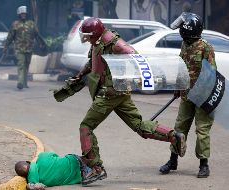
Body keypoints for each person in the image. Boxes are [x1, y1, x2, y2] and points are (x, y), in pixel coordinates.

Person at [69, 17, 187, 185]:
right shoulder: (98, 42)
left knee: (86, 127)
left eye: (88, 35)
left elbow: (134, 55)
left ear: (95, 33)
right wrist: (80, 74)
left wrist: (133, 77)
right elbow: (93, 61)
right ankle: (174, 136)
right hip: (118, 92)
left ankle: (96, 169)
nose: (86, 39)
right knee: (138, 125)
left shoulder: (113, 42)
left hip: (109, 94)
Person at [159, 12, 216, 178]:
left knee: (202, 131)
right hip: (186, 96)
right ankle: (173, 160)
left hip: (202, 97)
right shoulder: (185, 44)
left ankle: (204, 164)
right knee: (179, 128)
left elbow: (211, 72)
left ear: (188, 29)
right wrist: (178, 87)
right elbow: (181, 66)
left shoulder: (206, 47)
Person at [3, 5, 45, 90]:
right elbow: (10, 37)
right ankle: (20, 82)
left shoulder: (31, 24)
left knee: (26, 65)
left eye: (25, 14)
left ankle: (25, 83)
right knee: (21, 65)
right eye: (22, 14)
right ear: (19, 14)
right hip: (19, 49)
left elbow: (37, 35)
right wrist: (6, 46)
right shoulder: (15, 24)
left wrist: (42, 44)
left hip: (29, 49)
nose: (23, 15)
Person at [15, 152, 92, 189]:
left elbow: (35, 186)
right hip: (75, 160)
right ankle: (92, 162)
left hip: (78, 176)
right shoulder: (42, 156)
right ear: (28, 162)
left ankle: (91, 170)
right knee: (75, 159)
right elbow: (55, 155)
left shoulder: (34, 181)